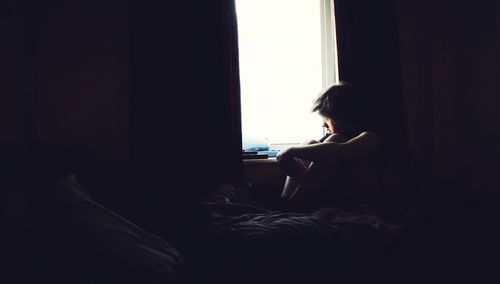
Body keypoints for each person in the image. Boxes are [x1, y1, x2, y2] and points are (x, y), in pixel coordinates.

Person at [276, 82, 384, 212]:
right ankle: (285, 201)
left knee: (333, 143)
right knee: (310, 143)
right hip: (336, 193)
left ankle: (294, 206)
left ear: (341, 118)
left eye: (326, 119)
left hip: (366, 198)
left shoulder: (370, 137)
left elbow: (340, 151)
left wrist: (290, 151)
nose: (324, 125)